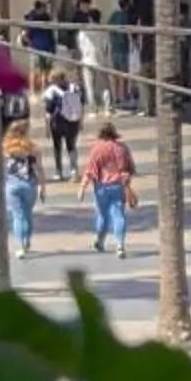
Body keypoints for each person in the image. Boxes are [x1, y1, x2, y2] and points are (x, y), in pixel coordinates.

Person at [80, 118, 138, 257]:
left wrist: (82, 187)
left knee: (103, 216)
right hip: (118, 185)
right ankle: (120, 245)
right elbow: (130, 167)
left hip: (101, 187)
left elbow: (91, 170)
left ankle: (100, 240)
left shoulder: (97, 148)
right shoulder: (122, 148)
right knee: (118, 214)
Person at [1, 120, 43, 260]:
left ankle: (20, 245)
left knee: (17, 216)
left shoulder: (4, 148)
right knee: (27, 214)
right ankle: (26, 241)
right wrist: (42, 186)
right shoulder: (33, 148)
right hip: (29, 185)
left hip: (11, 185)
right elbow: (39, 169)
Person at [43, 65, 82, 181]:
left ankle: (58, 172)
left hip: (57, 122)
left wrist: (47, 127)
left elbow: (48, 110)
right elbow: (81, 106)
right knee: (72, 146)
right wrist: (80, 122)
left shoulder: (51, 91)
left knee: (57, 147)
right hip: (73, 121)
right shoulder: (74, 88)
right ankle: (74, 170)